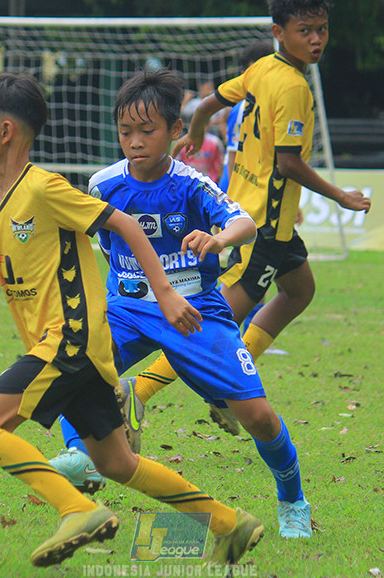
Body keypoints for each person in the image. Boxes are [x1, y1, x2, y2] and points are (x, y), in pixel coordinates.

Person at [0, 72, 264, 568]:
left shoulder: (44, 188)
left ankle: (77, 509)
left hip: (72, 340)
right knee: (116, 462)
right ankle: (229, 523)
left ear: (5, 133)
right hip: (66, 348)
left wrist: (167, 294)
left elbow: (124, 223)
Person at [47, 68, 312, 538]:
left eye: (147, 131)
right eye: (125, 132)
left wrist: (217, 238)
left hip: (194, 312)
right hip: (126, 308)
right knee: (73, 362)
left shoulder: (190, 183)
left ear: (174, 131)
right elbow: (98, 246)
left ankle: (292, 497)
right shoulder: (103, 184)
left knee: (257, 417)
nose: (135, 142)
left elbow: (244, 222)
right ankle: (80, 455)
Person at [129, 0, 371, 433]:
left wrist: (197, 132)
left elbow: (205, 105)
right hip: (263, 225)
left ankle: (223, 394)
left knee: (300, 291)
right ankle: (139, 390)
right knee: (213, 320)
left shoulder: (264, 69)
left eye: (322, 29)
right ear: (278, 32)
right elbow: (288, 165)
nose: (317, 39)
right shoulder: (294, 88)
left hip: (258, 214)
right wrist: (340, 195)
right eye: (306, 31)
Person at [222, 40, 275, 194]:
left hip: (261, 187)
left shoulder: (276, 105)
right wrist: (232, 202)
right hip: (238, 189)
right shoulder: (242, 110)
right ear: (243, 77)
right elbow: (233, 156)